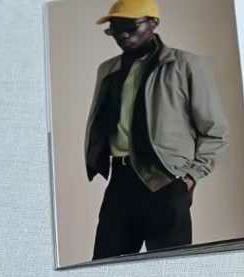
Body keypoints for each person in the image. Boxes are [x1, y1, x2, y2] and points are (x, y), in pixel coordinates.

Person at [84, 0, 229, 260]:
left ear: (153, 23)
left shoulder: (185, 65)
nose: (122, 34)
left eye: (130, 26)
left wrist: (190, 176)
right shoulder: (108, 70)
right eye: (115, 29)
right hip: (120, 178)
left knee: (170, 268)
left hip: (166, 179)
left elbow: (214, 130)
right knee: (105, 267)